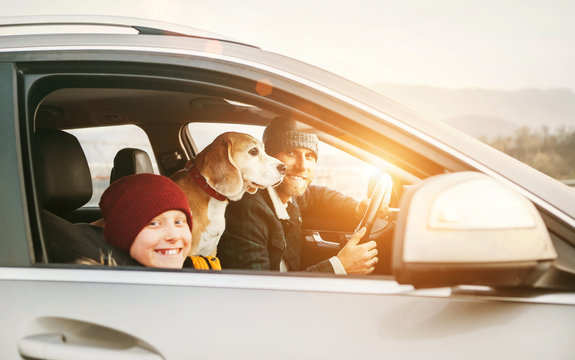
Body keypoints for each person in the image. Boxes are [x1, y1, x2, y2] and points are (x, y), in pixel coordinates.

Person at [217, 117, 379, 274]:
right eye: (291, 153)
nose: (302, 166)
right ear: (270, 159)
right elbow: (260, 292)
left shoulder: (285, 194)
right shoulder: (247, 210)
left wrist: (357, 207)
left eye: (309, 156)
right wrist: (340, 267)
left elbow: (317, 194)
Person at [98, 173, 193, 269]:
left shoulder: (201, 269)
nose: (174, 236)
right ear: (122, 235)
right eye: (154, 224)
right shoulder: (100, 281)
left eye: (179, 222)